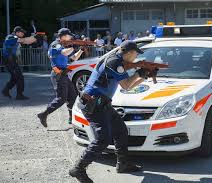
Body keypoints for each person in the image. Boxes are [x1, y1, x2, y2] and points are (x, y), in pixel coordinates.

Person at [69, 41, 156, 182]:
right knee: (102, 140)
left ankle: (123, 164)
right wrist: (139, 72)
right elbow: (126, 84)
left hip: (102, 104)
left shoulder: (117, 60)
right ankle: (78, 169)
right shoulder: (115, 62)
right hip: (93, 104)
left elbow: (126, 87)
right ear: (128, 53)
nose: (135, 58)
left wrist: (143, 75)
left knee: (120, 130)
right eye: (135, 54)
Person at [37, 28, 84, 127]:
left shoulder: (64, 46)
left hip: (64, 75)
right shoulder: (56, 44)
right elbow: (64, 52)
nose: (71, 37)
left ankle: (72, 119)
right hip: (58, 74)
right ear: (63, 36)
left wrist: (81, 50)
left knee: (73, 97)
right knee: (61, 99)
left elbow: (73, 57)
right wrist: (74, 46)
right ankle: (44, 114)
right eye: (69, 35)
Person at [1, 26, 38, 100]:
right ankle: (19, 95)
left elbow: (26, 41)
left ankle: (5, 90)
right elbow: (9, 41)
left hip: (11, 59)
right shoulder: (11, 36)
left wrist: (34, 38)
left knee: (15, 77)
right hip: (9, 59)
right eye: (22, 32)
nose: (23, 34)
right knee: (20, 77)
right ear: (17, 32)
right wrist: (31, 38)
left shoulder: (17, 38)